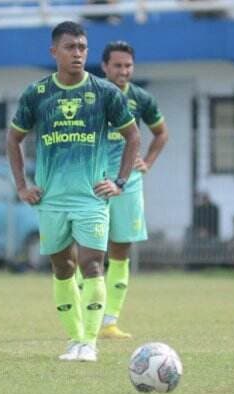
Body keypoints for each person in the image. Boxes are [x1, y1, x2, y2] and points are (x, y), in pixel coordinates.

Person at [7, 21, 140, 362]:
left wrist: (120, 182)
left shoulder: (104, 92)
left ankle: (90, 342)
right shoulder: (38, 94)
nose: (78, 53)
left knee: (93, 264)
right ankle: (74, 339)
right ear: (54, 51)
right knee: (62, 268)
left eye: (82, 47)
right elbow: (14, 138)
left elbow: (133, 136)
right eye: (70, 47)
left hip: (91, 199)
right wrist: (22, 185)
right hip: (51, 200)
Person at [92, 40, 168, 340]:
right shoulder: (92, 94)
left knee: (121, 250)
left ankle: (110, 322)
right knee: (90, 250)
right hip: (95, 179)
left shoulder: (141, 98)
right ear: (105, 67)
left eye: (128, 66)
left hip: (128, 182)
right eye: (118, 66)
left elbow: (161, 133)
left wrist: (146, 161)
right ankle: (90, 316)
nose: (123, 71)